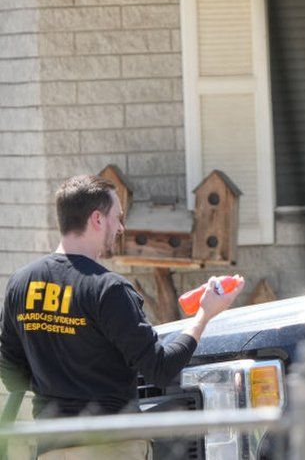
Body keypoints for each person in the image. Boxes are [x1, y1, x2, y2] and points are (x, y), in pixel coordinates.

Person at [0, 175, 245, 459]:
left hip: (50, 447)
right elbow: (160, 369)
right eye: (117, 217)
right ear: (97, 219)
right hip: (111, 446)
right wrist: (205, 314)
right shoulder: (108, 288)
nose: (120, 227)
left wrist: (54, 381)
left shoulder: (21, 282)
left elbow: (10, 372)